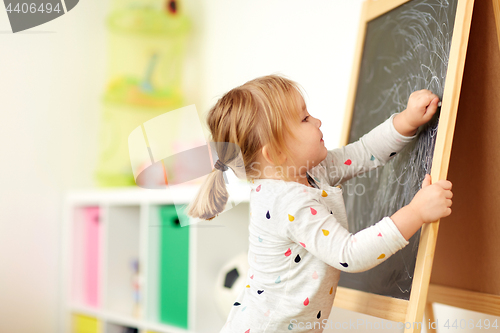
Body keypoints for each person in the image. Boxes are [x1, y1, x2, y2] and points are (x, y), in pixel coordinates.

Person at [187, 74, 453, 332]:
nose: (317, 121)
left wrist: (406, 120)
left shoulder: (309, 170)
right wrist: (416, 212)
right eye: (304, 118)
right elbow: (350, 254)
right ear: (276, 153)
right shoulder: (289, 203)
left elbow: (363, 153)